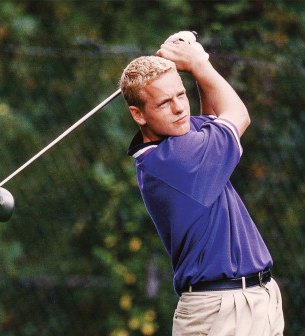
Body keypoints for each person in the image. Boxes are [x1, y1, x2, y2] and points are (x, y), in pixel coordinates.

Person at [120, 32, 284, 336]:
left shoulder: (178, 137)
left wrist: (195, 68)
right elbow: (237, 115)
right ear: (138, 114)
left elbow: (211, 116)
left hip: (257, 299)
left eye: (181, 94)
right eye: (164, 102)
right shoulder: (173, 160)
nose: (180, 108)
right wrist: (198, 62)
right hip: (218, 311)